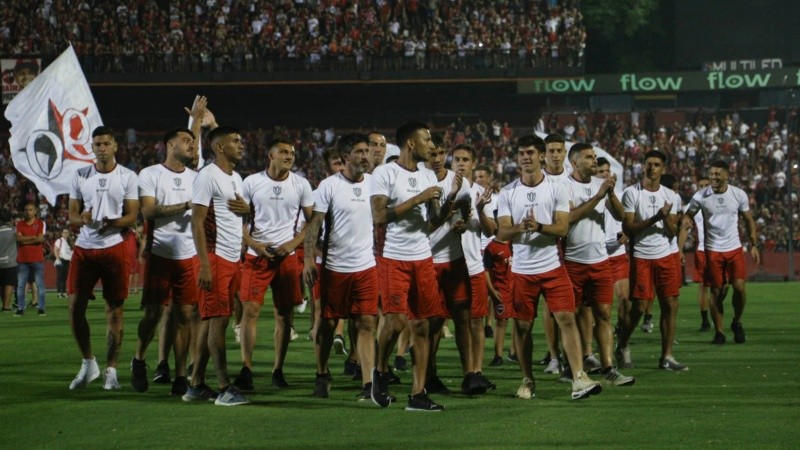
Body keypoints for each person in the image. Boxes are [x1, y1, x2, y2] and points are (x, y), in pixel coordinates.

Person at [496, 134, 602, 400]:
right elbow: (502, 233)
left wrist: (538, 227)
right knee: (522, 328)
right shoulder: (508, 192)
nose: (525, 157)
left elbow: (562, 228)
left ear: (541, 156)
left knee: (567, 318)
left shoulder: (556, 188)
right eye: (521, 153)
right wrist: (521, 227)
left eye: (530, 152)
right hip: (522, 270)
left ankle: (578, 378)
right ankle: (527, 379)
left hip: (553, 267)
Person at [370, 121, 454, 412]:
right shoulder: (385, 172)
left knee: (423, 324)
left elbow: (430, 222)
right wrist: (418, 198)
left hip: (423, 257)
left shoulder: (428, 175)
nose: (431, 146)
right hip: (393, 257)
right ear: (410, 143)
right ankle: (379, 371)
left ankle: (418, 394)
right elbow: (379, 216)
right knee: (394, 322)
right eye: (427, 139)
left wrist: (448, 209)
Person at [302, 133, 381, 401]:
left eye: (367, 151)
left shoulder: (374, 183)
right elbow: (314, 224)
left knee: (367, 322)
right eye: (359, 151)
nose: (365, 156)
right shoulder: (328, 186)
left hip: (366, 265)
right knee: (327, 323)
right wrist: (308, 259)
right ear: (346, 157)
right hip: (335, 267)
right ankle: (322, 374)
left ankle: (369, 384)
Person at [233, 138, 313, 391]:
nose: (290, 156)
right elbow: (240, 221)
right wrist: (254, 245)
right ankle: (246, 368)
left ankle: (278, 369)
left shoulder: (301, 184)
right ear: (271, 155)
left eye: (292, 153)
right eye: (284, 152)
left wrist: (292, 245)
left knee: (284, 315)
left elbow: (312, 223)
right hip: (257, 257)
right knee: (250, 311)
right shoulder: (252, 183)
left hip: (286, 257)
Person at [67, 126, 140, 390]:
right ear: (92, 148)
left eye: (106, 143)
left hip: (114, 246)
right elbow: (72, 213)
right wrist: (81, 219)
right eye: (97, 144)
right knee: (75, 308)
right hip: (85, 247)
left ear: (115, 146)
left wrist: (114, 222)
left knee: (115, 312)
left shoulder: (128, 176)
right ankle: (89, 364)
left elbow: (132, 216)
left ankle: (111, 370)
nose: (101, 148)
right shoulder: (79, 175)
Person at [130, 126, 200, 396]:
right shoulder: (150, 174)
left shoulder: (196, 177)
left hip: (188, 256)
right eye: (185, 141)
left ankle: (181, 375)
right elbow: (148, 210)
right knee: (154, 314)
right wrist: (184, 206)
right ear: (170, 145)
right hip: (160, 254)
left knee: (185, 316)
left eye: (192, 142)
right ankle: (139, 358)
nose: (191, 146)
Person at [183, 126, 250, 406]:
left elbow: (237, 214)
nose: (241, 144)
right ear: (219, 147)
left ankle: (196, 385)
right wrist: (206, 265)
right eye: (236, 140)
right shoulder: (207, 176)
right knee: (217, 324)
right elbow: (196, 221)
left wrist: (248, 210)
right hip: (216, 258)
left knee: (212, 321)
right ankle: (224, 387)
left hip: (232, 259)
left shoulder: (236, 178)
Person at [563, 143, 635, 386]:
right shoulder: (564, 186)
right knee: (570, 317)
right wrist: (598, 196)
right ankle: (570, 366)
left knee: (604, 314)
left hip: (600, 260)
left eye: (594, 156)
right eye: (588, 157)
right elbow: (569, 218)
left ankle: (608, 368)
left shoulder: (599, 184)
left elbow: (621, 216)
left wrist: (610, 193)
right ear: (574, 163)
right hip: (573, 261)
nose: (594, 161)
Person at [616, 150, 686, 371]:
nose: (652, 168)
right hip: (642, 256)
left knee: (670, 304)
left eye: (656, 164)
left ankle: (666, 356)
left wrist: (666, 219)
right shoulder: (631, 193)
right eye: (649, 164)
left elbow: (674, 230)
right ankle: (623, 344)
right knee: (639, 307)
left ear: (662, 169)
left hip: (666, 256)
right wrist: (657, 217)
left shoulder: (671, 196)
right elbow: (628, 228)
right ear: (642, 166)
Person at [684, 160, 759, 344]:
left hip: (733, 248)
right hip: (712, 250)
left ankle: (736, 321)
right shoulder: (701, 196)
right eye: (711, 174)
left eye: (717, 174)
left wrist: (754, 244)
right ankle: (719, 332)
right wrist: (686, 220)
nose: (713, 177)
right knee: (716, 292)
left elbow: (749, 220)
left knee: (739, 288)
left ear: (727, 175)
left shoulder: (738, 194)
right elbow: (688, 213)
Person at [424, 137, 472, 395]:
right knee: (432, 322)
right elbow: (430, 223)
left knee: (463, 318)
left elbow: (466, 211)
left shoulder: (458, 180)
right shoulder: (420, 180)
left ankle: (469, 375)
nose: (437, 158)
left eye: (441, 153)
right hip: (428, 259)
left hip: (454, 259)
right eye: (432, 153)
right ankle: (429, 375)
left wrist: (462, 222)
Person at [451, 144, 498, 394]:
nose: (460, 163)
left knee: (477, 321)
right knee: (448, 322)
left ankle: (476, 372)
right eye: (456, 159)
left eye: (465, 159)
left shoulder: (481, 193)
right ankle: (464, 371)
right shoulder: (443, 190)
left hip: (473, 266)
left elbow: (491, 231)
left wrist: (479, 209)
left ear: (473, 163)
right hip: (448, 265)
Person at [596, 158, 630, 335]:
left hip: (617, 252)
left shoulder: (621, 194)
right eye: (601, 171)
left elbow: (631, 219)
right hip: (597, 254)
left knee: (624, 299)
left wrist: (628, 231)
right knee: (602, 306)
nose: (605, 174)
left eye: (607, 171)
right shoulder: (589, 195)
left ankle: (622, 338)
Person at [678, 176, 713, 332]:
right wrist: (679, 250)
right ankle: (705, 320)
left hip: (721, 249)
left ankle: (714, 314)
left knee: (723, 287)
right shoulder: (693, 207)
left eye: (707, 185)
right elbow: (685, 228)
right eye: (701, 185)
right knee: (703, 286)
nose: (704, 187)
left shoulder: (720, 202)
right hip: (703, 251)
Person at [15, 203, 46, 316]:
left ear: (35, 211)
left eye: (30, 210)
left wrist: (25, 240)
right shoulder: (19, 224)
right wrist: (33, 238)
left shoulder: (40, 223)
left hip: (37, 258)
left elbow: (40, 239)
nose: (28, 212)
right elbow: (18, 239)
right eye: (26, 210)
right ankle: (20, 309)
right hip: (22, 259)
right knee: (21, 285)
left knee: (40, 285)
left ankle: (41, 308)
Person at [0, 210, 17, 311]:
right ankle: (6, 307)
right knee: (9, 284)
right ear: (11, 219)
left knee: (1, 285)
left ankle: (3, 304)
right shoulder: (14, 230)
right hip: (10, 262)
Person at [53, 229, 74, 298]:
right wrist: (58, 259)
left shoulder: (69, 242)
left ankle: (64, 292)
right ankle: (59, 292)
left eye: (67, 232)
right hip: (61, 260)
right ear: (62, 233)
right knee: (60, 277)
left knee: (65, 277)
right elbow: (55, 250)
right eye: (64, 232)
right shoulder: (59, 241)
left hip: (67, 261)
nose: (66, 234)